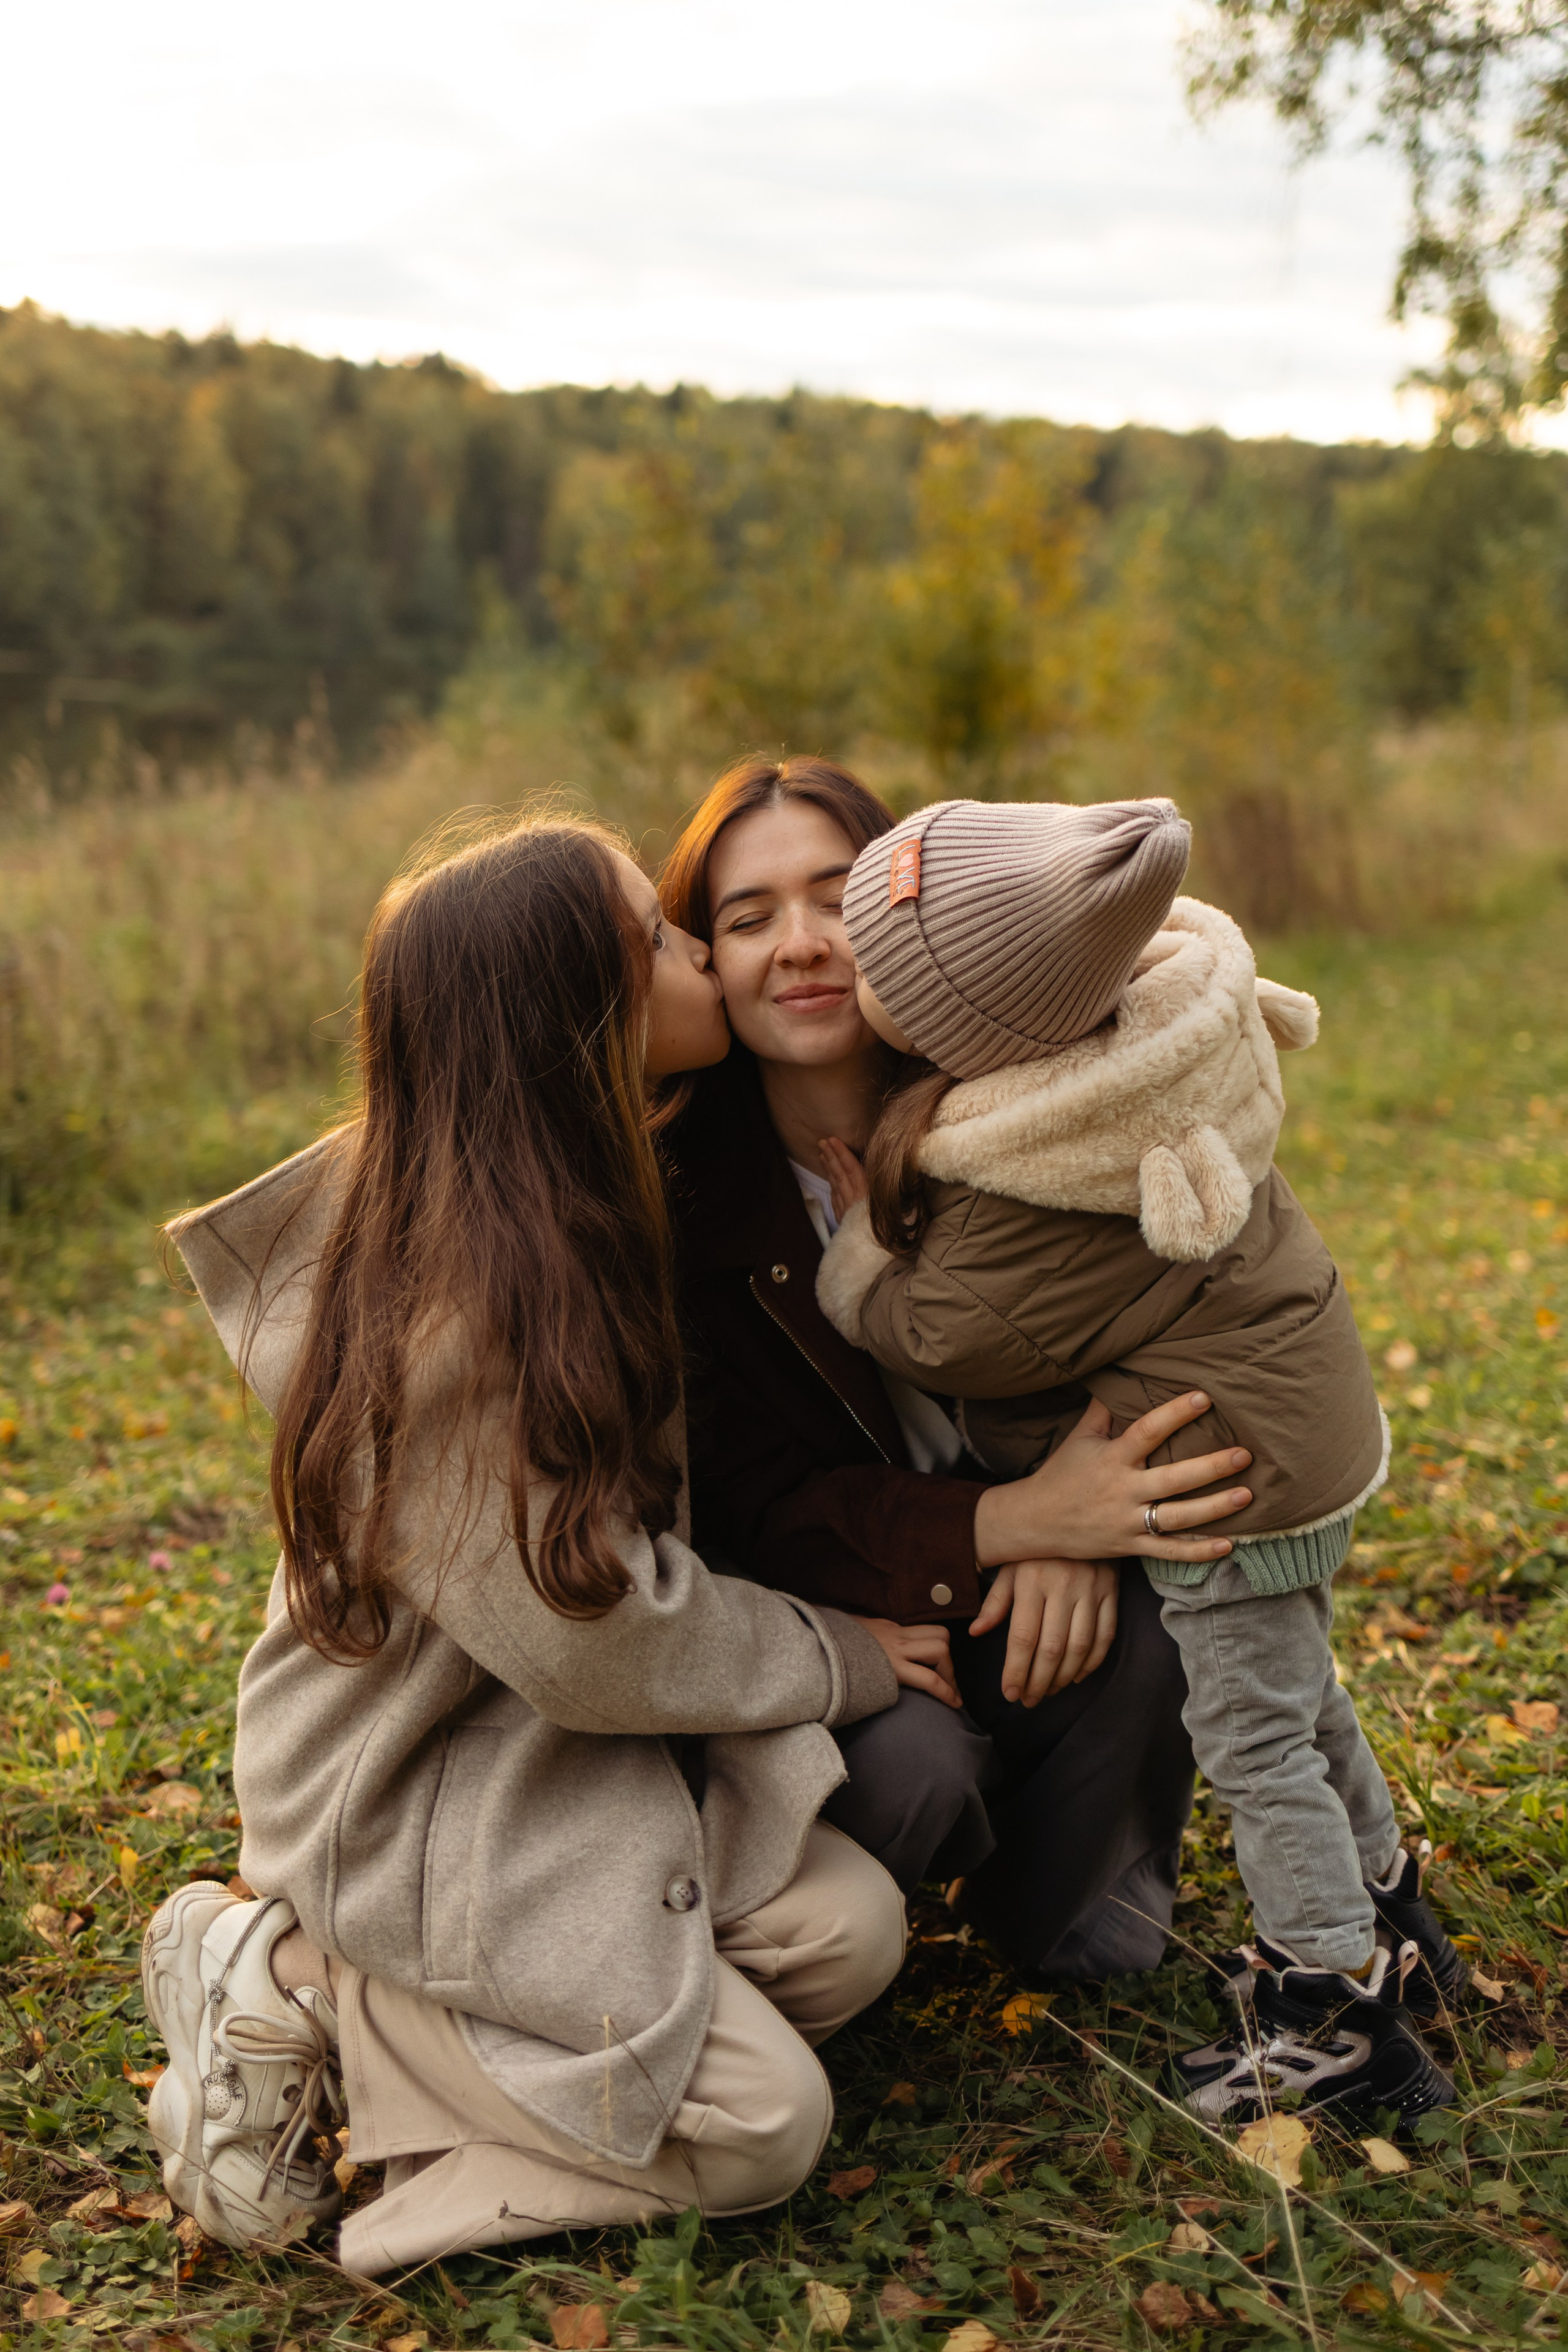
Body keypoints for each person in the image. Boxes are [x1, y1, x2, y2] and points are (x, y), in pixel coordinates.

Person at [140, 815, 910, 2274]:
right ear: (585, 1021)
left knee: (847, 1934)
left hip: (551, 1751)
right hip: (416, 1782)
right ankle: (286, 1976)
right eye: (667, 940)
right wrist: (842, 1653)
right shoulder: (453, 1313)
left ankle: (370, 2076)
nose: (704, 952)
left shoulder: (580, 1174)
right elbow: (593, 1634)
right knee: (762, 2127)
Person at [813, 791, 1468, 2125]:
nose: (838, 964)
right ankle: (1387, 1905)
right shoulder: (1142, 1039)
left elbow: (948, 1332)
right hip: (1286, 1423)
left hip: (1222, 1466)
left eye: (872, 962)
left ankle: (1332, 2010)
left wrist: (858, 1241)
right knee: (1298, 1693)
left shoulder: (1046, 1162)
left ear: (961, 1032)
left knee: (1255, 1739)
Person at [658, 757, 1260, 1978]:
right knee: (909, 1767)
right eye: (747, 916)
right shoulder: (677, 1202)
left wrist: (1075, 1515)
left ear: (904, 918)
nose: (802, 945)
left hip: (1027, 1566)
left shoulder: (1045, 1098)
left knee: (1160, 1606)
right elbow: (740, 1505)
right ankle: (824, 1947)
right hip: (825, 1609)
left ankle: (1076, 1919)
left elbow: (1201, 1292)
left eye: (839, 896)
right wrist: (1005, 1522)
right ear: (704, 959)